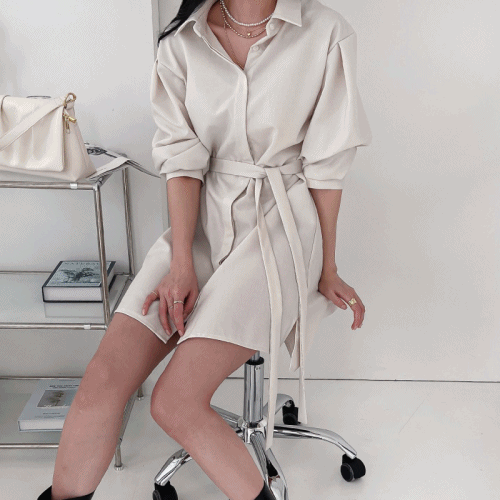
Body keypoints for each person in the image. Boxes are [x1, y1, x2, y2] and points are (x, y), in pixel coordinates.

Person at [37, 0, 371, 499]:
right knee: (105, 378)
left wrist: (328, 267)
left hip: (280, 231)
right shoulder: (181, 43)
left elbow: (326, 166)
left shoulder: (326, 33)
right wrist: (179, 265)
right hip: (198, 227)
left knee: (174, 402)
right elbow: (182, 161)